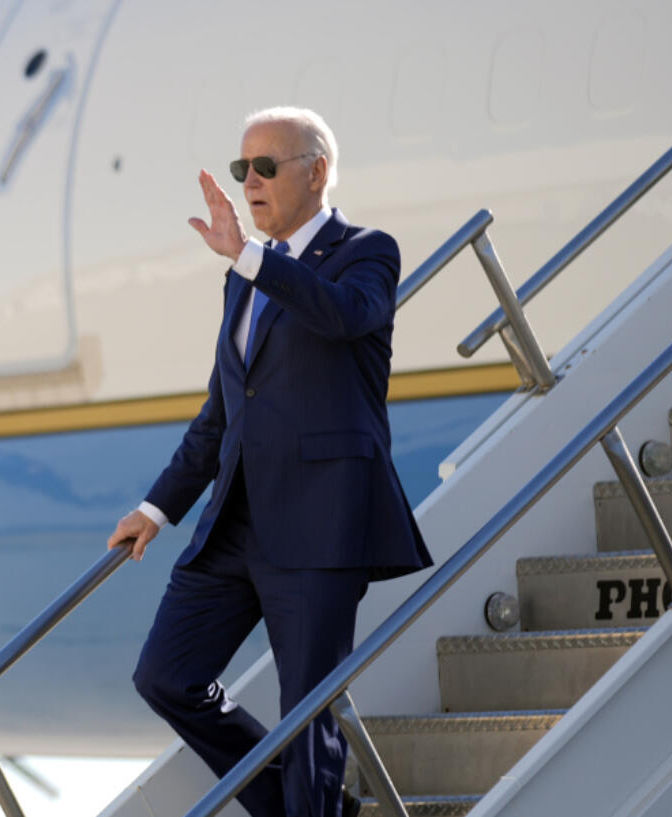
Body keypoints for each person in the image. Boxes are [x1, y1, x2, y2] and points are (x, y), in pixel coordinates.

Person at [107, 107, 431, 817]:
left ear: (316, 171)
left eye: (265, 167)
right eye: (240, 168)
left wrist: (249, 257)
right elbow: (223, 413)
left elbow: (344, 315)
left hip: (320, 524)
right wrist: (157, 508)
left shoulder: (367, 250)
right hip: (236, 524)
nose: (249, 182)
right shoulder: (244, 278)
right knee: (166, 674)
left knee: (306, 712)